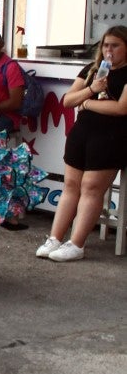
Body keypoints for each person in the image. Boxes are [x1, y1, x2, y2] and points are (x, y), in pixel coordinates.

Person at [36, 25, 127, 262]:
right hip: (82, 132)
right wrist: (91, 90)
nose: (109, 50)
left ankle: (77, 243)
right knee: (71, 185)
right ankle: (55, 237)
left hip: (111, 136)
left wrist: (86, 104)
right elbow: (68, 100)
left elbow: (121, 108)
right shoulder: (92, 70)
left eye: (115, 46)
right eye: (106, 45)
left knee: (91, 187)